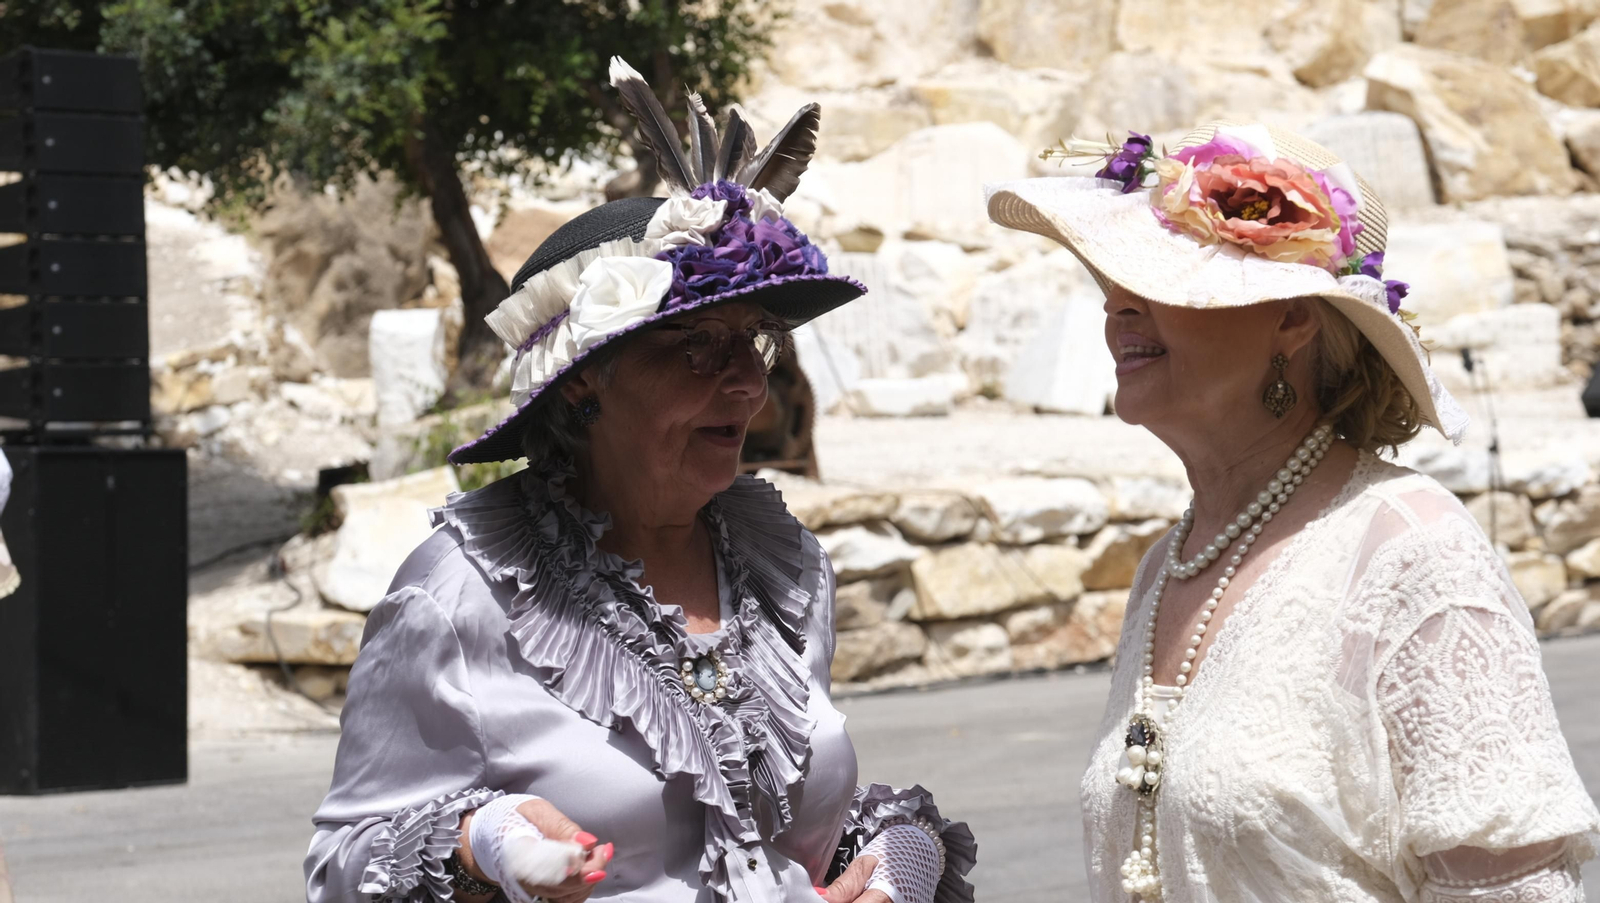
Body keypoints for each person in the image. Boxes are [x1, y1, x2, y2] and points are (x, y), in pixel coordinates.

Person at [304, 58, 975, 903]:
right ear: (585, 375)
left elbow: (770, 833)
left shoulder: (783, 565)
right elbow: (345, 867)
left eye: (756, 340)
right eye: (697, 345)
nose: (746, 384)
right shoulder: (459, 594)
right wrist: (484, 837)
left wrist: (896, 870)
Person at [987, 122, 1599, 902]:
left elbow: (1514, 890)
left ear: (1291, 316)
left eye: (1161, 279)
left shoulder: (1409, 553)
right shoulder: (1171, 563)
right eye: (1112, 278)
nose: (1117, 304)